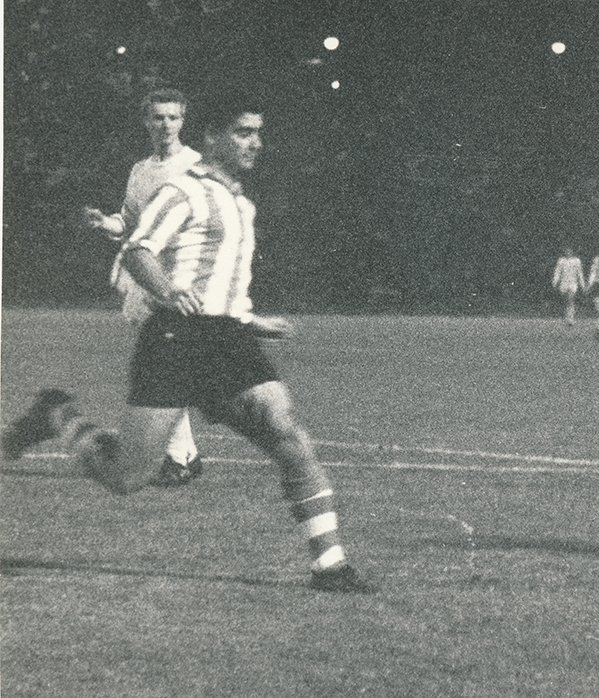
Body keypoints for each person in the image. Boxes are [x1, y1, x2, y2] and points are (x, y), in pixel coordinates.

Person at [2, 97, 373, 592]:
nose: (255, 143)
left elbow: (226, 285)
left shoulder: (242, 204)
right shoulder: (183, 191)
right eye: (242, 132)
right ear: (213, 136)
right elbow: (137, 251)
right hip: (175, 340)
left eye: (258, 132)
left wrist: (252, 321)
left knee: (290, 437)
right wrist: (168, 290)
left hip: (227, 341)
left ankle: (330, 566)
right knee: (126, 476)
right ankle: (56, 414)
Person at [79, 88, 206, 486]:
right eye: (158, 117)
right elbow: (130, 221)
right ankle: (182, 456)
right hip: (149, 278)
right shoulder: (140, 170)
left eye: (173, 117)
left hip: (184, 278)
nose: (165, 124)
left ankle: (182, 456)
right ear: (146, 122)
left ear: (183, 120)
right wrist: (106, 223)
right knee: (168, 364)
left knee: (171, 365)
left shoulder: (196, 165)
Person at [551, 246, 586, 325]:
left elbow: (579, 273)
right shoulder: (561, 260)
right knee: (566, 301)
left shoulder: (577, 261)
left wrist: (582, 284)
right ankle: (566, 316)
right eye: (566, 250)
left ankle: (571, 318)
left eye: (569, 250)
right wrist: (555, 282)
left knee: (571, 299)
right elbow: (557, 272)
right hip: (563, 283)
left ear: (572, 251)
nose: (568, 252)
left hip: (573, 283)